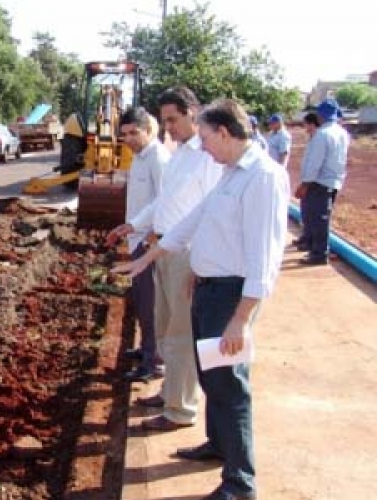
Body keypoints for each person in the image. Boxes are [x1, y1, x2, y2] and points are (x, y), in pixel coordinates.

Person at [113, 98, 290, 500]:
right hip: (211, 289)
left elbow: (265, 259)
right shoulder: (231, 173)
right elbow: (193, 220)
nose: (203, 147)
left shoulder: (262, 177)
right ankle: (218, 444)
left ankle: (240, 482)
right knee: (212, 376)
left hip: (232, 295)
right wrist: (147, 260)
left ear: (225, 133)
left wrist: (241, 319)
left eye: (207, 138)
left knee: (229, 384)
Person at [113, 86, 223, 430]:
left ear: (193, 112)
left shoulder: (207, 158)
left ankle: (180, 409)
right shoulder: (180, 154)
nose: (168, 127)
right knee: (163, 329)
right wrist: (135, 224)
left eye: (172, 119)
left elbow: (210, 212)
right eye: (164, 120)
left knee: (180, 336)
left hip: (184, 254)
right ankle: (168, 392)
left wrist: (200, 261)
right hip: (162, 249)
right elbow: (164, 203)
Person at [106, 108, 170, 383]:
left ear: (149, 130)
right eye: (124, 134)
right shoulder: (139, 159)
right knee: (142, 301)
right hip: (137, 238)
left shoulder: (158, 158)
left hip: (150, 241)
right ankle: (147, 348)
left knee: (151, 303)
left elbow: (166, 201)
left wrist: (145, 232)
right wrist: (128, 226)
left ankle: (154, 361)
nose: (129, 139)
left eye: (134, 133)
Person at [294, 99, 350, 265]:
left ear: (321, 115)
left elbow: (315, 162)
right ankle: (314, 247)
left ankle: (319, 254)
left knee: (318, 218)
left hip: (319, 182)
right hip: (333, 181)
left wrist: (305, 184)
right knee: (318, 218)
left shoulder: (323, 134)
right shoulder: (342, 133)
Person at [292, 112, 322, 250]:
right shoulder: (313, 138)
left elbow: (315, 164)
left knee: (312, 213)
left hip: (313, 182)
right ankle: (306, 237)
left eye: (305, 124)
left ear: (311, 124)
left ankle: (310, 242)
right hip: (308, 180)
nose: (304, 127)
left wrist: (305, 184)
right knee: (305, 211)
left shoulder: (319, 138)